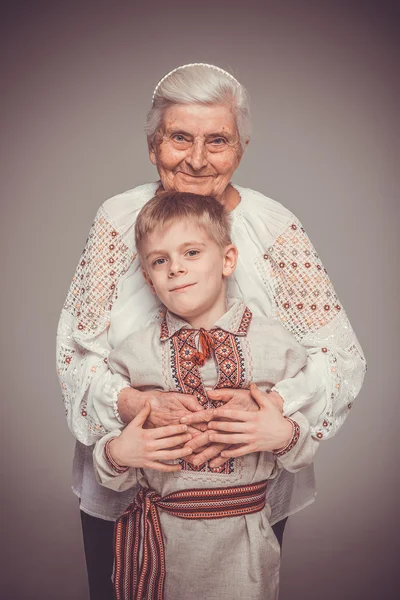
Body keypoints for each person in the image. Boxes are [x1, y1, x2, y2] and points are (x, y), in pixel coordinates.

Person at [56, 63, 367, 600]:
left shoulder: (274, 229)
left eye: (217, 140)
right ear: (153, 146)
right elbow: (74, 354)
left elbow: (339, 358)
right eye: (180, 138)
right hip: (133, 491)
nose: (197, 159)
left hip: (242, 505)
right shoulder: (117, 221)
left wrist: (276, 414)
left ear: (240, 149)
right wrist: (126, 402)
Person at [93, 191, 318, 600]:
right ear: (148, 277)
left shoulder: (275, 345)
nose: (176, 269)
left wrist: (282, 434)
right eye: (160, 261)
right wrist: (119, 453)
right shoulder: (133, 354)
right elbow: (109, 467)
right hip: (160, 544)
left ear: (227, 260)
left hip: (245, 545)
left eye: (192, 252)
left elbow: (302, 451)